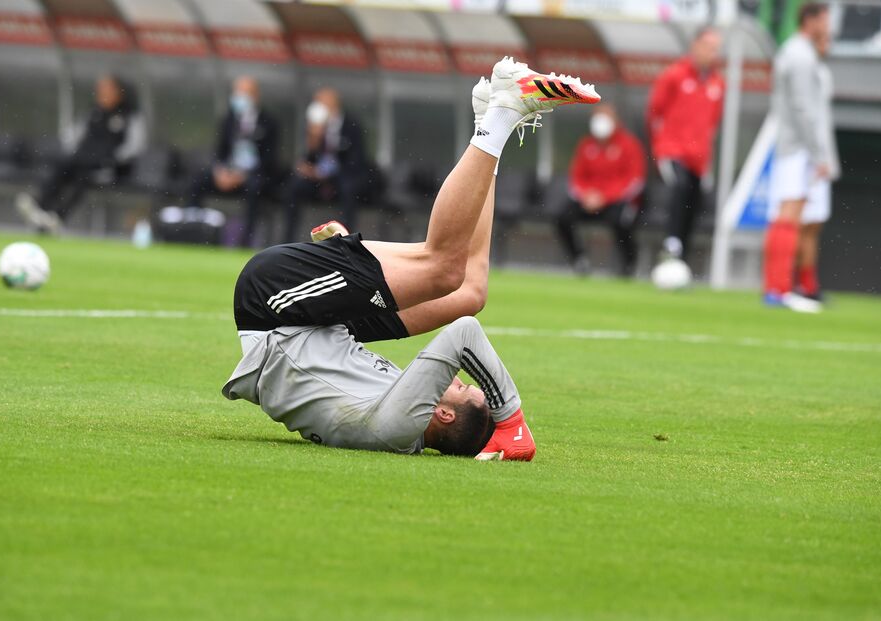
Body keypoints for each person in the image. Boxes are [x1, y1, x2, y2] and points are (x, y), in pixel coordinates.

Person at [222, 58, 601, 461]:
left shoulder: (398, 425)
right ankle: (490, 124)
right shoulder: (400, 429)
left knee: (443, 268)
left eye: (463, 388)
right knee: (468, 291)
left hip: (273, 305)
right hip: (318, 322)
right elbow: (464, 317)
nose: (457, 378)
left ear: (443, 413)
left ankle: (506, 109)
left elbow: (464, 335)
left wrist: (510, 421)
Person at [764, 3, 837, 312]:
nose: (828, 27)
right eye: (825, 20)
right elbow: (804, 110)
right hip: (799, 147)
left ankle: (780, 288)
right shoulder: (800, 55)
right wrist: (819, 154)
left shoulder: (797, 52)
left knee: (792, 214)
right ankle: (779, 289)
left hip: (795, 146)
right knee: (789, 214)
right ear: (810, 20)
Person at [16, 75, 146, 233]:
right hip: (84, 160)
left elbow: (134, 145)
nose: (101, 93)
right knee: (63, 166)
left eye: (106, 90)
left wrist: (112, 160)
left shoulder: (129, 115)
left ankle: (57, 216)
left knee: (84, 178)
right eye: (100, 89)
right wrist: (77, 153)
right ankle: (40, 206)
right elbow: (72, 135)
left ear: (119, 92)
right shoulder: (94, 111)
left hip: (111, 167)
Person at [646, 26, 724, 264]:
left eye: (715, 49)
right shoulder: (674, 75)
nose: (712, 53)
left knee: (695, 201)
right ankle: (671, 241)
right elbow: (654, 112)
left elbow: (713, 122)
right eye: (709, 47)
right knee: (679, 187)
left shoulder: (718, 83)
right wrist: (660, 146)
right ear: (695, 46)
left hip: (699, 158)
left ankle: (680, 257)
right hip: (673, 151)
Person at [183, 76, 280, 248]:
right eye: (237, 92)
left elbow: (269, 159)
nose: (239, 96)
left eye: (244, 92)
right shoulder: (228, 119)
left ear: (255, 96)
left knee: (255, 188)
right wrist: (220, 172)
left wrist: (241, 176)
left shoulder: (269, 122)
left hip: (252, 176)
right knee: (196, 181)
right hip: (227, 173)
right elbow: (219, 152)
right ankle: (193, 232)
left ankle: (245, 242)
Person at [553, 103, 646, 276]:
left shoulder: (629, 144)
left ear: (615, 119)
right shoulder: (586, 145)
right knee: (562, 217)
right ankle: (579, 260)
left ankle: (628, 267)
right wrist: (587, 195)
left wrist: (605, 197)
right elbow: (576, 177)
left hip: (617, 201)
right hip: (588, 201)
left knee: (621, 222)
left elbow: (635, 181)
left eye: (606, 116)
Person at [282, 88, 377, 242]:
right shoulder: (314, 126)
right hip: (318, 179)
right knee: (294, 187)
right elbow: (310, 157)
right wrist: (313, 143)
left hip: (342, 177)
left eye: (322, 102)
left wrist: (327, 173)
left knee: (348, 189)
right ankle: (288, 240)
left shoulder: (351, 125)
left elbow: (356, 161)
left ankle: (346, 241)